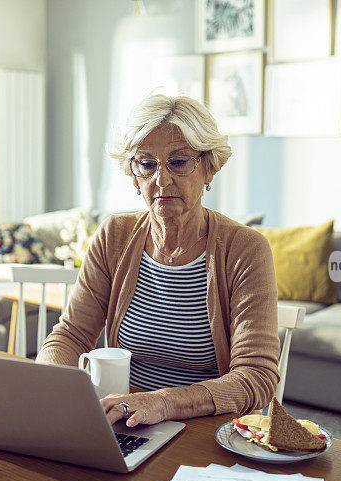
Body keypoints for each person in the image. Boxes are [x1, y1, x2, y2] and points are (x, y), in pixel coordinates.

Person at [36, 94, 279, 428]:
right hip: (126, 420)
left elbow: (257, 376)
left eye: (179, 162)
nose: (161, 179)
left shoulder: (246, 249)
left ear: (209, 168)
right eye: (147, 164)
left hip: (205, 428)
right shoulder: (114, 236)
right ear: (134, 175)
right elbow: (70, 336)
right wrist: (51, 387)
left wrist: (163, 402)